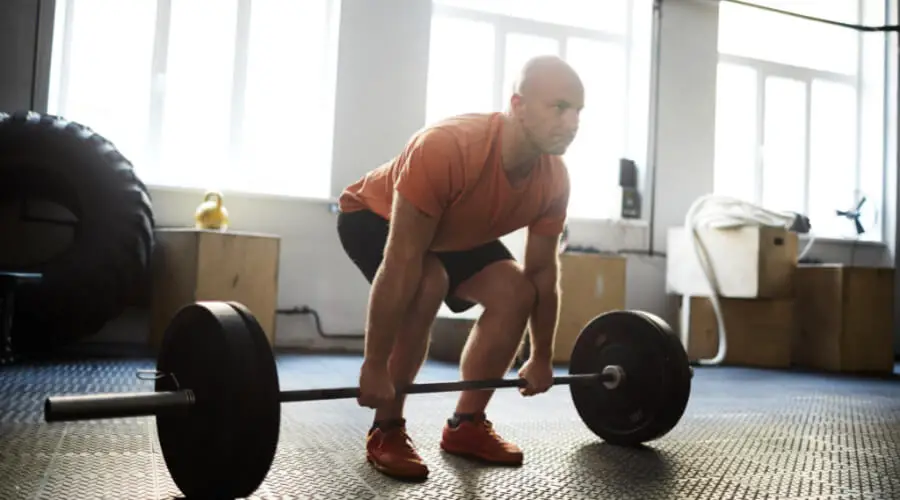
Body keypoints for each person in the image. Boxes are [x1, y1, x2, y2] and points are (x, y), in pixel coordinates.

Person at [335, 55, 584, 481]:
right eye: (558, 107)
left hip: (454, 228)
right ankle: (387, 428)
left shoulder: (554, 179)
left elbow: (543, 274)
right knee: (426, 281)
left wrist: (542, 357)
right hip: (374, 215)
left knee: (516, 291)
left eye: (578, 110)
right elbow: (401, 262)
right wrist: (374, 365)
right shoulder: (447, 147)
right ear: (518, 104)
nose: (572, 121)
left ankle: (466, 425)